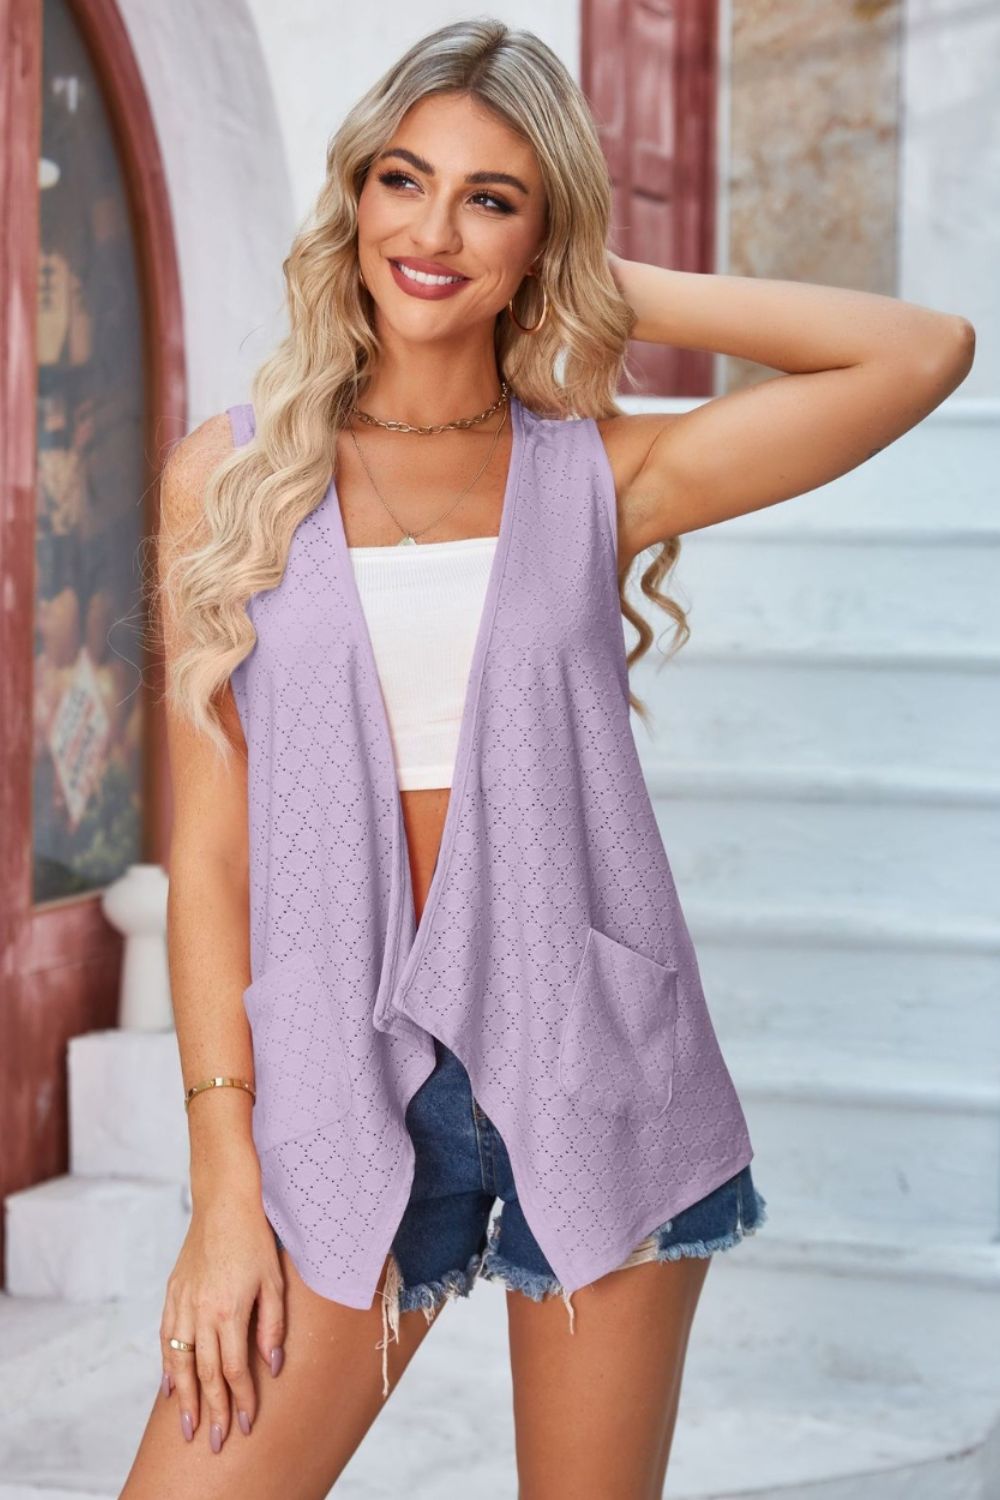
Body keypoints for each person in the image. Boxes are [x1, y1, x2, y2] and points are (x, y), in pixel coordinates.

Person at [122, 17, 973, 1498]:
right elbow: (207, 856)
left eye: (491, 199)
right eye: (404, 180)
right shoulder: (235, 478)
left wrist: (601, 273)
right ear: (357, 196)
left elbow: (921, 351)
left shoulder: (600, 471)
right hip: (335, 1085)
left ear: (540, 238)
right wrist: (223, 1179)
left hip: (595, 1067)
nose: (432, 231)